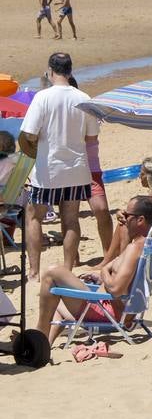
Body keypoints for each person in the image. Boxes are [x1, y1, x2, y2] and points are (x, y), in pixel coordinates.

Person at [19, 53, 105, 277]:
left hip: (49, 168)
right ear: (70, 71)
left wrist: (35, 148)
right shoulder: (83, 97)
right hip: (76, 168)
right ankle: (67, 269)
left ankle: (34, 270)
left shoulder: (43, 97)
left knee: (34, 216)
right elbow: (92, 138)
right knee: (70, 218)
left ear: (50, 71)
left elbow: (28, 133)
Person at [36, 195, 152, 341]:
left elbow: (116, 289)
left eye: (127, 215)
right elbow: (119, 272)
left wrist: (103, 272)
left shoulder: (135, 249)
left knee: (52, 273)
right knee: (55, 300)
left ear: (140, 220)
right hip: (117, 310)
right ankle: (45, 344)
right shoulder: (149, 245)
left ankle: (38, 337)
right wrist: (104, 274)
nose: (123, 218)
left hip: (107, 313)